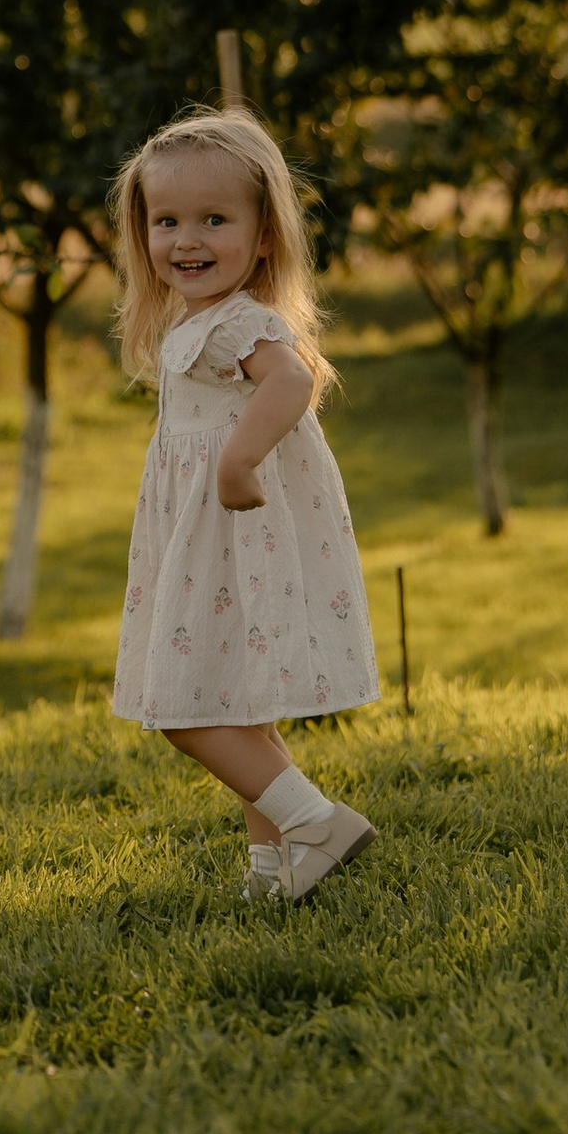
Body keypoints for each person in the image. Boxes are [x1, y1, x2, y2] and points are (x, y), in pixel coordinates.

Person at [110, 104, 380, 900]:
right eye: (167, 221)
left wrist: (236, 460)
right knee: (238, 697)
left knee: (185, 705)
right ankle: (273, 868)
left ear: (264, 235)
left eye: (214, 219)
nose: (186, 240)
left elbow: (293, 380)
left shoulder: (240, 323)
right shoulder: (197, 321)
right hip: (205, 537)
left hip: (232, 525)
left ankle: (318, 822)